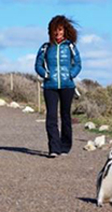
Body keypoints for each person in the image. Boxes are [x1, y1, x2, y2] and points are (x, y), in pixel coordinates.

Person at [35, 15, 82, 158]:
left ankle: (65, 147)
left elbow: (78, 64)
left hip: (67, 86)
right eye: (55, 30)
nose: (57, 33)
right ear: (51, 31)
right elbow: (38, 65)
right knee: (51, 117)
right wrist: (46, 74)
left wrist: (70, 74)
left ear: (64, 31)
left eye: (60, 30)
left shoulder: (71, 47)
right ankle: (54, 148)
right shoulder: (45, 47)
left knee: (66, 116)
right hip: (50, 86)